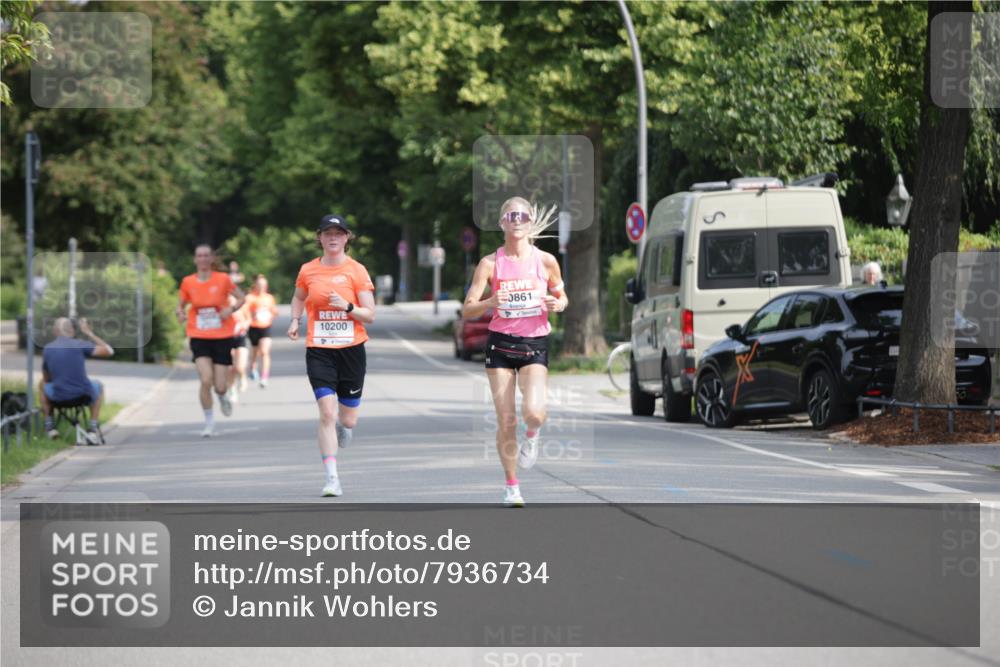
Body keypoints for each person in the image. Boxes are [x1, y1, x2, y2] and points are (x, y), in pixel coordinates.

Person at [463, 197, 567, 507]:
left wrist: (558, 303)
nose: (517, 220)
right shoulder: (490, 263)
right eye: (511, 216)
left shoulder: (546, 261)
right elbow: (468, 309)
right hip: (500, 346)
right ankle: (512, 486)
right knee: (506, 420)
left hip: (534, 344)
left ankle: (532, 435)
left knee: (534, 413)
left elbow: (562, 295)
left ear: (530, 222)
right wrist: (489, 302)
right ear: (502, 223)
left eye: (522, 216)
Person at [289, 214, 376, 498]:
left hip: (351, 350)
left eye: (338, 233)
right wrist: (295, 320)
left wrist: (348, 306)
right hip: (319, 349)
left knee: (347, 420)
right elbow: (299, 297)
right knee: (327, 412)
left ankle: (344, 425)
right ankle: (332, 478)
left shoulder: (357, 271)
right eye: (328, 233)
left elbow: (370, 315)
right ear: (320, 238)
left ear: (347, 238)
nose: (333, 238)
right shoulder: (308, 270)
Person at [177, 244, 245, 437]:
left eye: (206, 255)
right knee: (206, 379)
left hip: (222, 336)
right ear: (195, 259)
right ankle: (209, 423)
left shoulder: (223, 279)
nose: (203, 259)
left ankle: (223, 396)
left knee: (220, 386)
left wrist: (230, 309)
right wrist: (180, 313)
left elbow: (241, 298)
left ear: (211, 258)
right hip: (199, 336)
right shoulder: (188, 282)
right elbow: (180, 305)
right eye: (199, 255)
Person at [39, 317, 114, 444]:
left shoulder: (47, 349)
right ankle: (92, 428)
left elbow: (47, 378)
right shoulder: (80, 344)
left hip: (58, 396)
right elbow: (109, 351)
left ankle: (49, 427)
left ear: (55, 331)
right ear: (72, 331)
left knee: (42, 384)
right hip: (83, 395)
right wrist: (89, 333)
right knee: (99, 385)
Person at [246, 274, 278, 387]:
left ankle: (264, 377)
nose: (261, 287)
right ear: (255, 285)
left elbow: (274, 312)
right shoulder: (250, 297)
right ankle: (253, 367)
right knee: (255, 351)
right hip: (253, 327)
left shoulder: (269, 298)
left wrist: (271, 313)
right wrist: (253, 315)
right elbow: (245, 312)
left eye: (264, 285)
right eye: (259, 285)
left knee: (264, 352)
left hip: (266, 327)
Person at [227, 295, 251, 400]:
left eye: (231, 299)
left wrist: (244, 325)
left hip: (240, 338)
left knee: (239, 366)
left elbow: (249, 319)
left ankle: (242, 377)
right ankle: (232, 390)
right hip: (227, 339)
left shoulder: (242, 308)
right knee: (230, 368)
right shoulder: (223, 309)